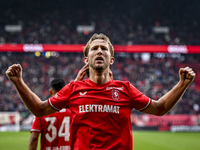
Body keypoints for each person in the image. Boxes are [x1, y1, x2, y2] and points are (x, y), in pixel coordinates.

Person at [6, 33, 195, 150]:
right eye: (94, 48)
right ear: (86, 59)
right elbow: (40, 109)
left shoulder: (125, 89)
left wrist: (182, 84)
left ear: (111, 59)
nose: (99, 51)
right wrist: (18, 82)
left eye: (104, 49)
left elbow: (159, 108)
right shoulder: (73, 88)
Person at [29, 65, 89, 150]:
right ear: (65, 89)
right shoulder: (74, 110)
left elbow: (34, 138)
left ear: (50, 91)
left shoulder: (42, 113)